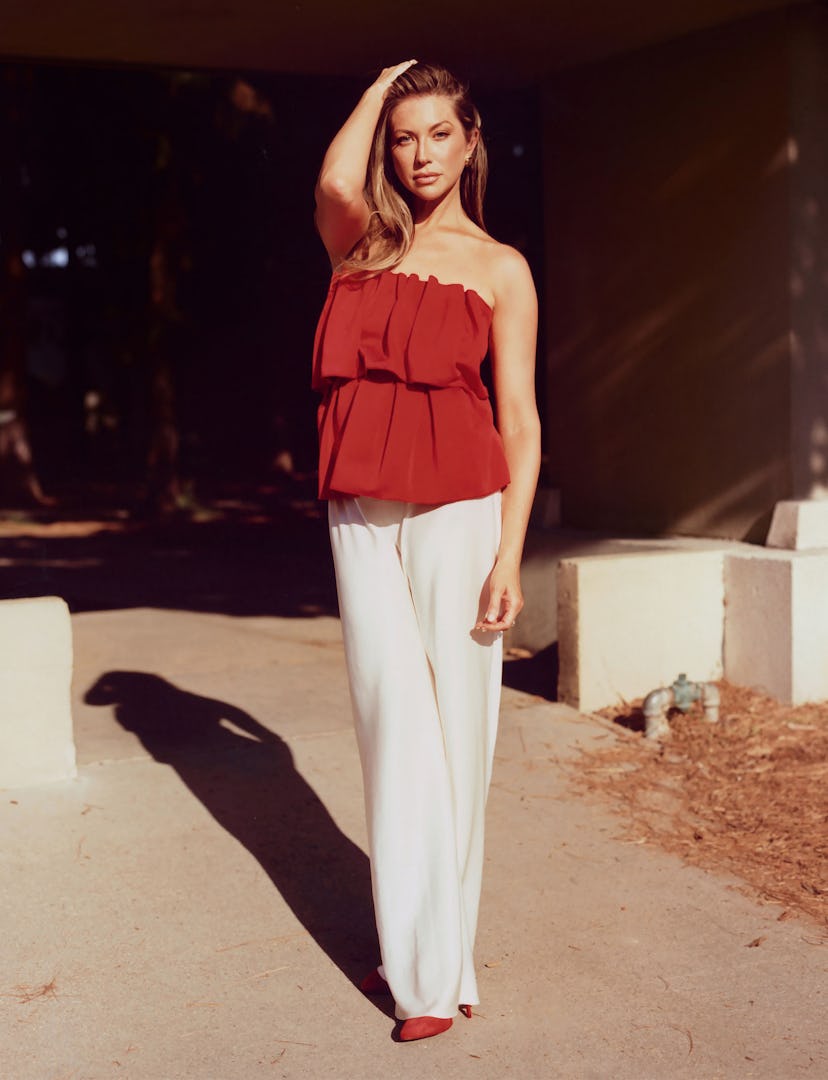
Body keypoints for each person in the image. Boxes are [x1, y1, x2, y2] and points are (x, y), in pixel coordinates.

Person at [312, 60, 541, 1042]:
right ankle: (423, 960)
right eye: (404, 138)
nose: (420, 155)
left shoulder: (501, 268)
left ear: (470, 140)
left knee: (458, 735)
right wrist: (382, 86)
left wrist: (509, 556)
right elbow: (334, 181)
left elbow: (521, 421)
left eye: (440, 133)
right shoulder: (360, 243)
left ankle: (436, 966)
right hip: (362, 510)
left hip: (463, 513)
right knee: (390, 722)